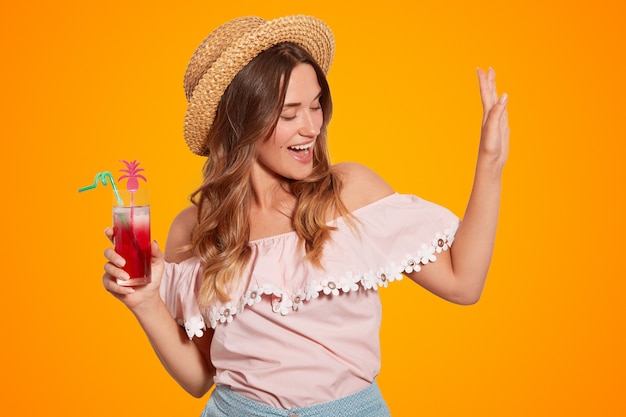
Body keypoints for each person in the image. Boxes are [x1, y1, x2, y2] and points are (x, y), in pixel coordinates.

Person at [102, 15, 509, 417]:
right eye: (289, 113)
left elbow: (462, 283)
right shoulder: (197, 228)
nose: (312, 127)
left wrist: (490, 162)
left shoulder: (348, 193)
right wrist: (146, 301)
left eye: (316, 106)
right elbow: (199, 377)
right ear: (241, 123)